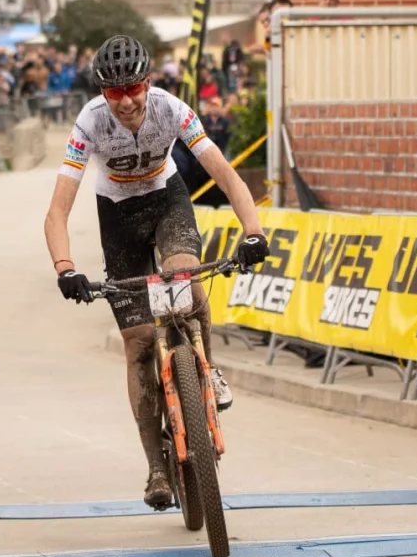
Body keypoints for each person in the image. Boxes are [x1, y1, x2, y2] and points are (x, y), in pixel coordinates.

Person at [43, 35, 270, 510]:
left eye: (133, 88)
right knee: (139, 343)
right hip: (118, 217)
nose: (125, 101)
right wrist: (66, 269)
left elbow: (225, 174)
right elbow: (58, 211)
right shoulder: (89, 121)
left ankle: (207, 368)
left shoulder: (172, 109)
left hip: (168, 202)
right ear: (103, 93)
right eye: (114, 92)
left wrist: (252, 231)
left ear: (148, 82)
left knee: (186, 282)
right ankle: (155, 469)